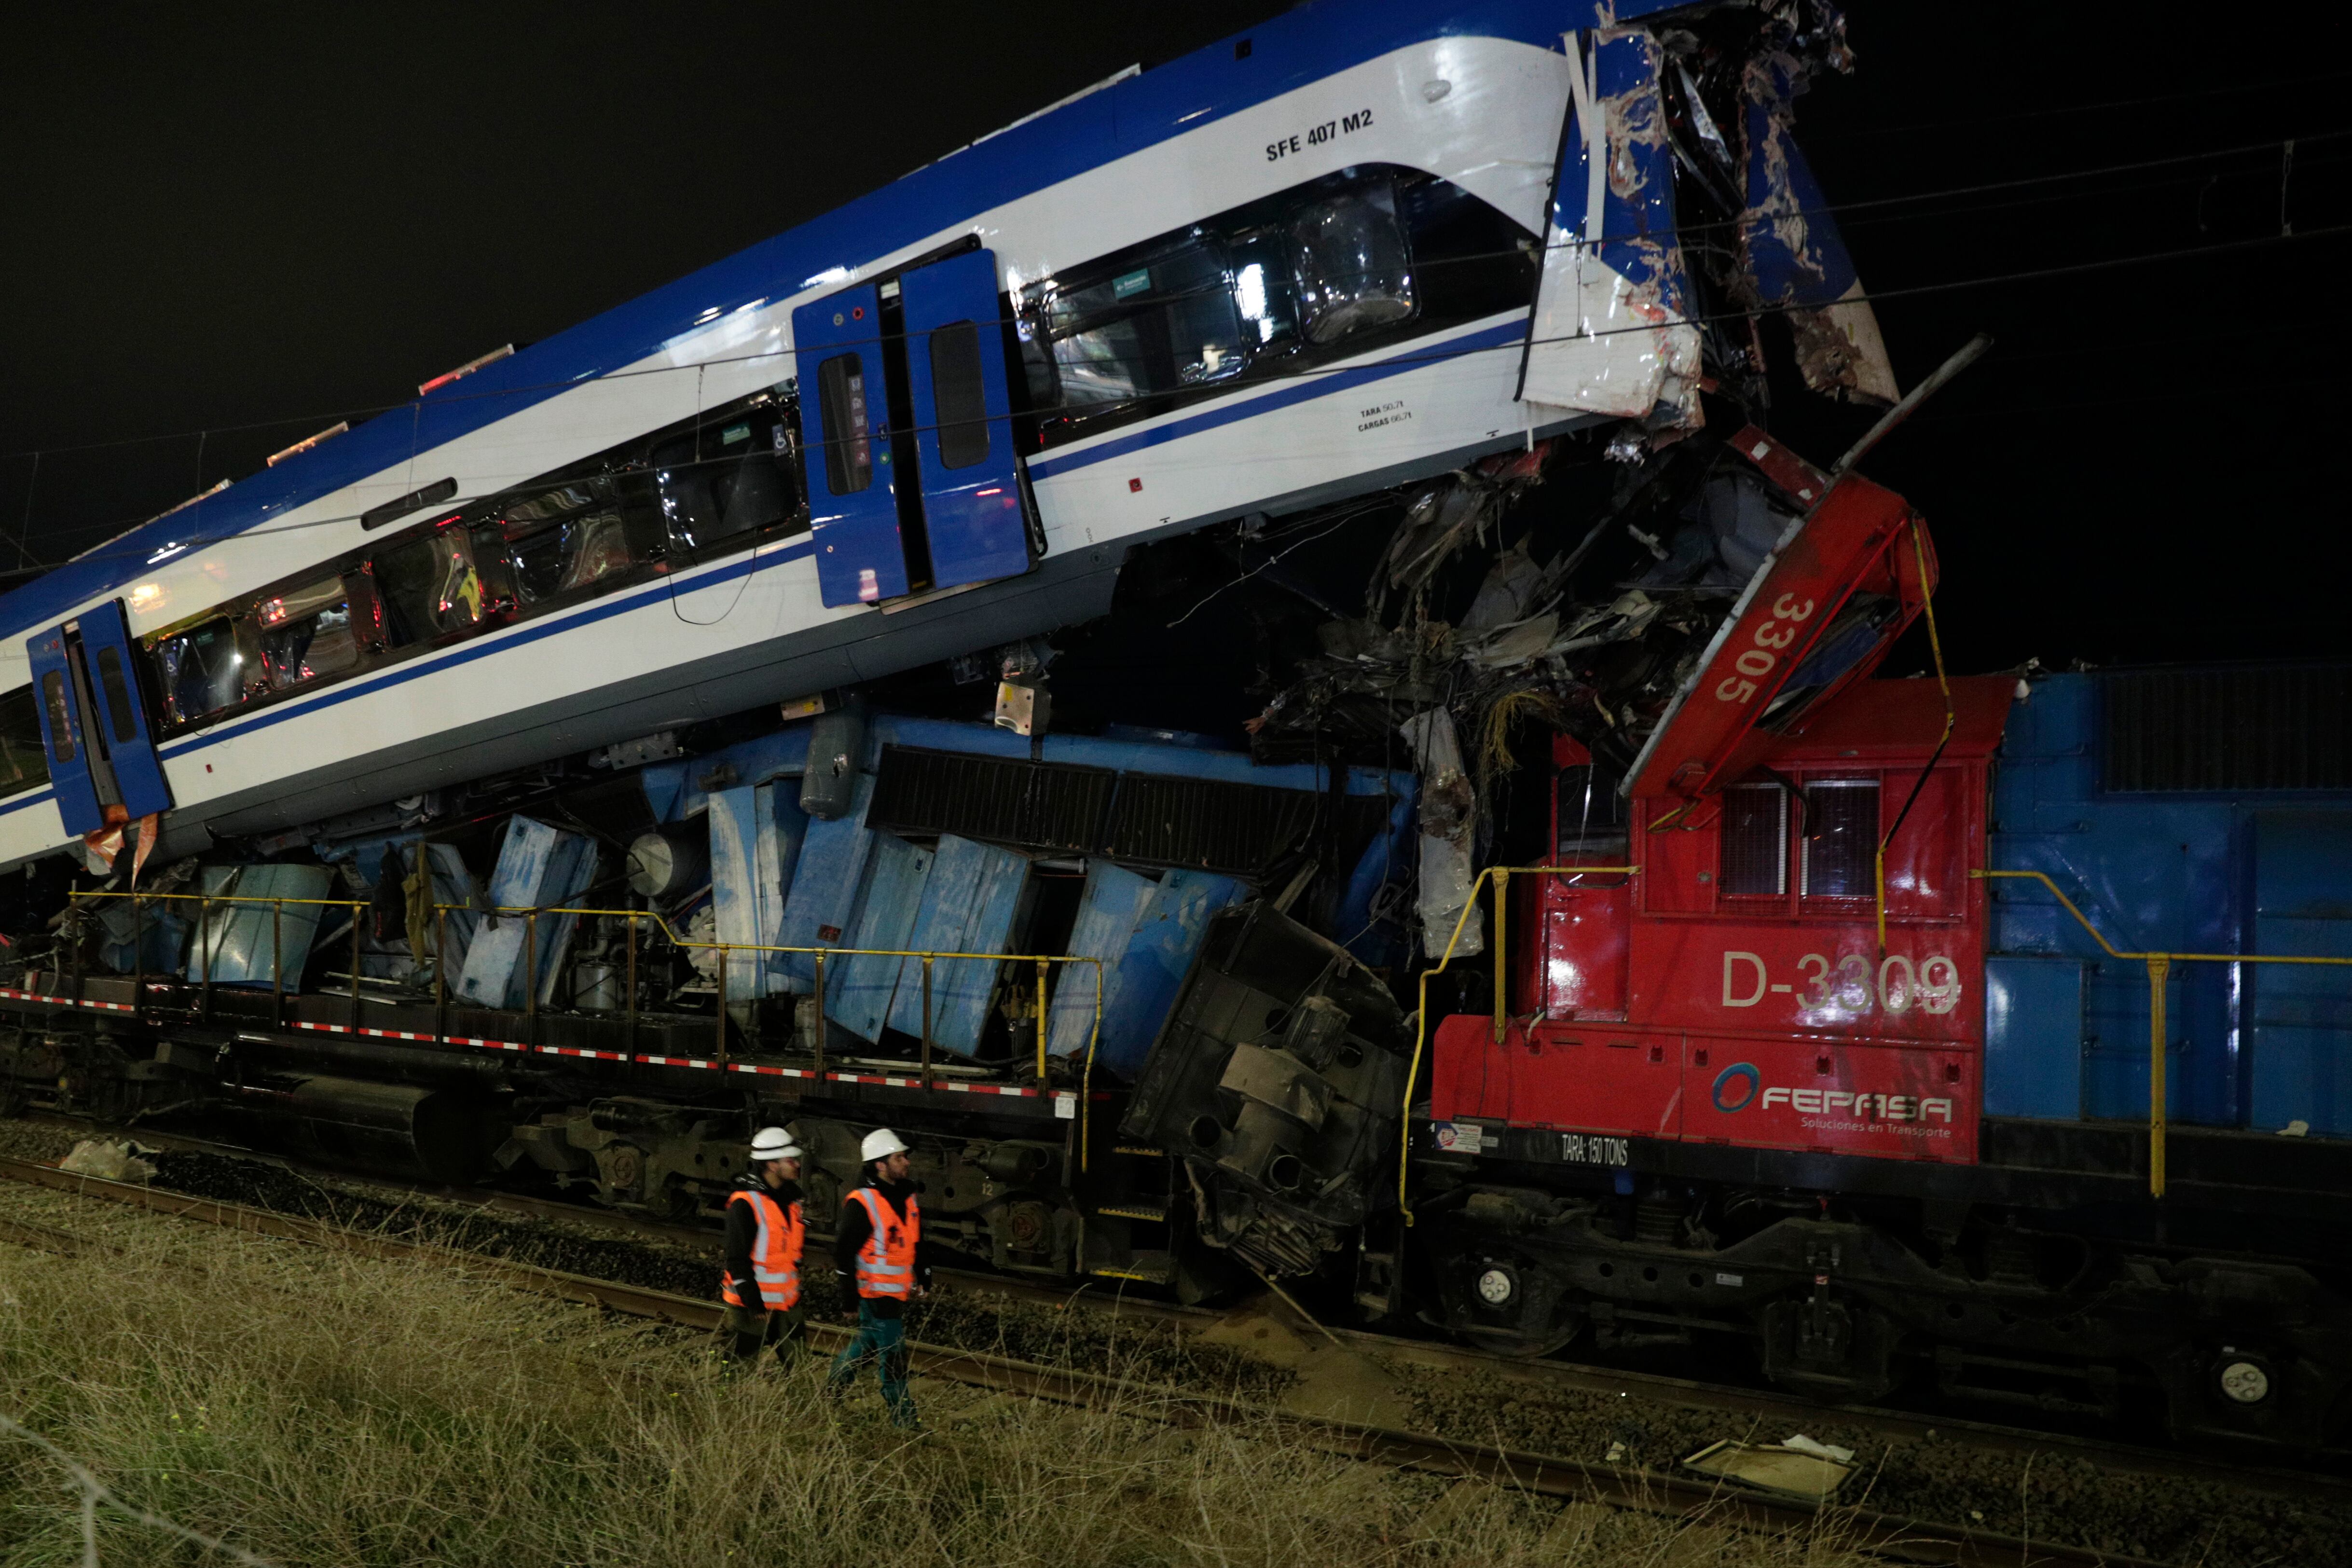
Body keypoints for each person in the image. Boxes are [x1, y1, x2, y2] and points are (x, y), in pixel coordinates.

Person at [826, 1126, 927, 1426]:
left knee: (868, 1343)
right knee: (894, 1359)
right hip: (875, 1293)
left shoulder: (906, 1197)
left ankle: (832, 1390)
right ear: (880, 1164)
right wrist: (849, 1299)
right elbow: (843, 1253)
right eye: (899, 1158)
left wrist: (924, 1275)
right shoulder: (862, 1203)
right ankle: (905, 1423)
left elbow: (916, 1241)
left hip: (895, 1291)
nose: (906, 1162)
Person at [719, 1126, 808, 1371]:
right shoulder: (745, 1204)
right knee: (739, 1371)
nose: (797, 1165)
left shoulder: (792, 1201)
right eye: (790, 1160)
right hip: (752, 1305)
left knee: (801, 1371)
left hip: (787, 1302)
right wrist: (753, 1302)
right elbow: (736, 1259)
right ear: (771, 1165)